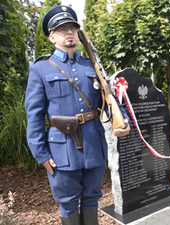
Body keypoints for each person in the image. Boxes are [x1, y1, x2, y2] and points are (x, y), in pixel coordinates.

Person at [25, 5, 130, 225]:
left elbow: (108, 98)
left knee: (92, 197)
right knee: (68, 201)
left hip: (93, 143)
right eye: (62, 29)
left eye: (72, 27)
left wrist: (123, 120)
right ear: (52, 37)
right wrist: (41, 154)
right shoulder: (41, 69)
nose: (69, 32)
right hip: (62, 148)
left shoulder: (91, 65)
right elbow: (34, 116)